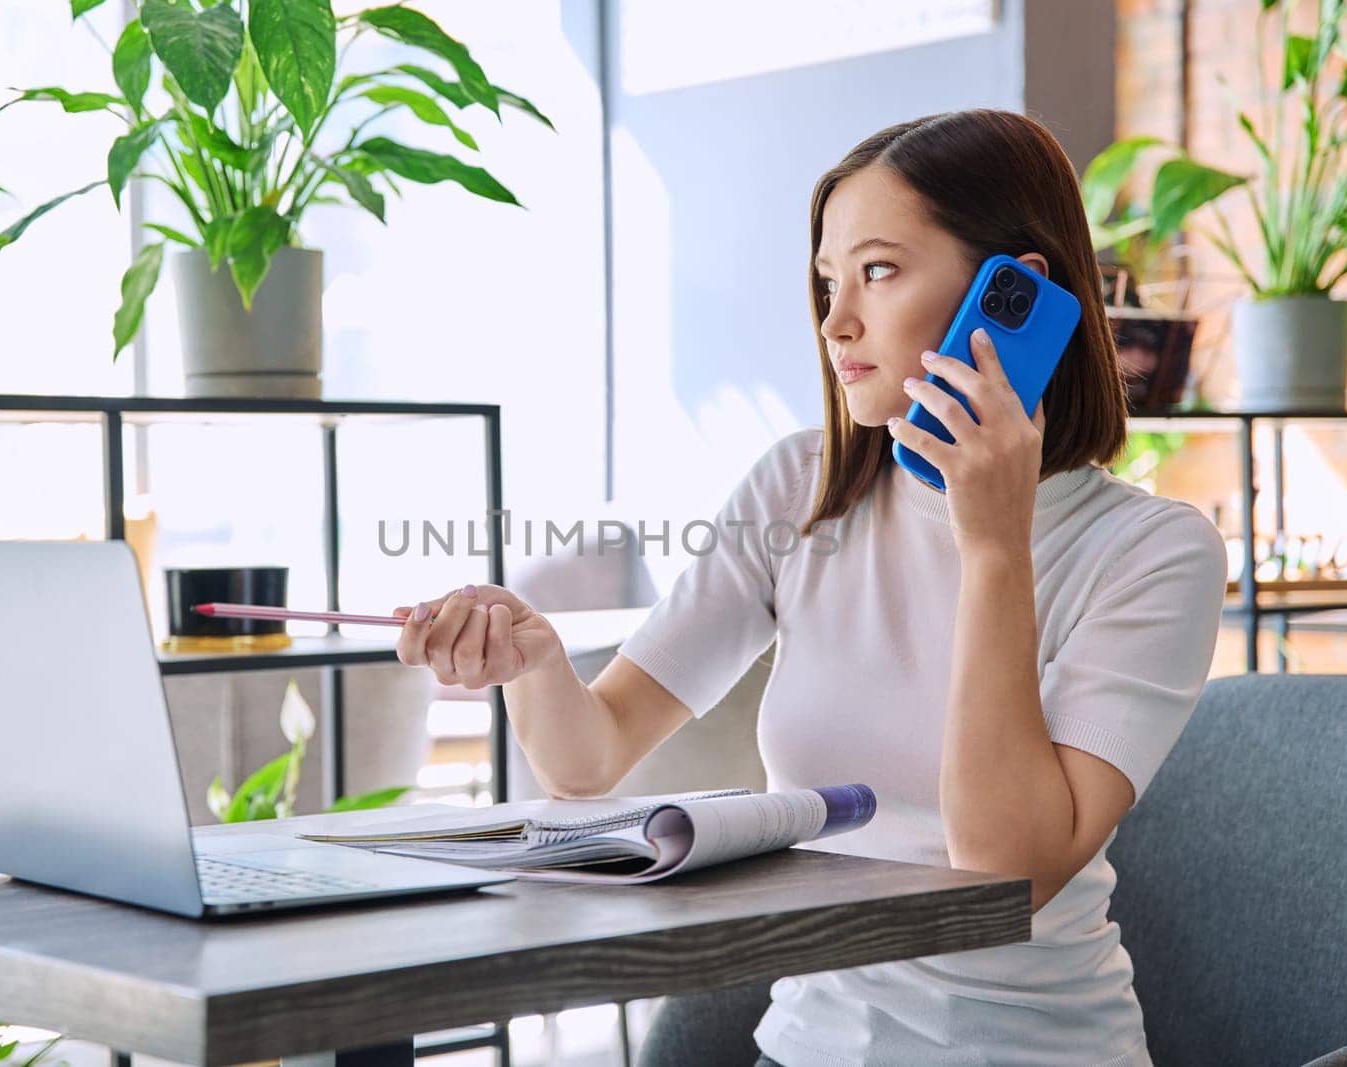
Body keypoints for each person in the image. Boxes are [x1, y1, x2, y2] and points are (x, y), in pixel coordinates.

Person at [391, 108, 1227, 1067]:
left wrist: (992, 546)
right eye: (828, 281)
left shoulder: (1155, 552)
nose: (836, 322)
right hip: (806, 1047)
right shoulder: (802, 485)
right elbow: (592, 756)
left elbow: (1005, 869)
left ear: (1012, 296)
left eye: (878, 271)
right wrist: (534, 662)